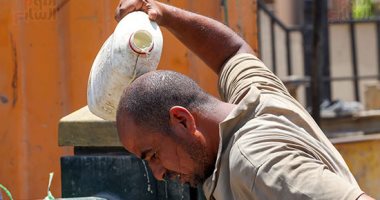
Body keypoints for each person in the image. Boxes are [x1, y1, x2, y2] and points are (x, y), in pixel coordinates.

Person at [114, 0, 374, 199]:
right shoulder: (260, 98)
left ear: (182, 120)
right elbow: (230, 53)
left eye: (154, 155)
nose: (158, 174)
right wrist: (162, 13)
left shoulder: (256, 164)